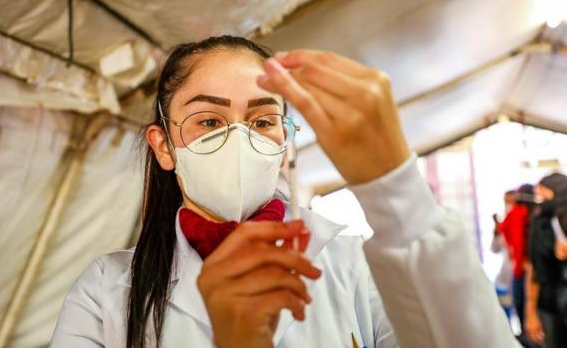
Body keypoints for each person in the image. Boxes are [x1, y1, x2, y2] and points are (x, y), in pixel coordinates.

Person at [51, 36, 518, 347]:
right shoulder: (108, 290)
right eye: (209, 121)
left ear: (284, 141)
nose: (238, 139)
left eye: (261, 121)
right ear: (164, 146)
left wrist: (395, 190)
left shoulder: (349, 263)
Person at [525, 173, 567, 348]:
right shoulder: (540, 223)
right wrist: (530, 312)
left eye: (543, 194)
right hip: (549, 304)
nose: (539, 200)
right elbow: (534, 268)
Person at [497, 185, 535, 332]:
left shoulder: (520, 214)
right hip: (519, 269)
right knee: (521, 307)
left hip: (521, 269)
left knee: (522, 307)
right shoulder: (518, 214)